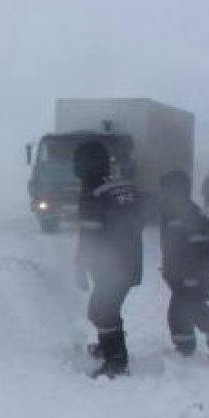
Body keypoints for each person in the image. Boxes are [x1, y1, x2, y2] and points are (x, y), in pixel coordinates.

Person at [72, 140, 143, 378]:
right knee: (106, 309)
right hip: (130, 260)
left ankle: (117, 362)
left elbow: (89, 236)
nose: (75, 167)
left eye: (78, 162)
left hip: (112, 266)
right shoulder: (122, 186)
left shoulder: (93, 192)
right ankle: (107, 346)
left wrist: (79, 266)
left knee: (101, 311)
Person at [158, 169, 209, 356]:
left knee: (189, 309)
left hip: (193, 276)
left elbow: (201, 249)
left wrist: (192, 277)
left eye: (165, 189)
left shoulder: (191, 216)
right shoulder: (172, 213)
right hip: (180, 275)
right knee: (185, 309)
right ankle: (189, 346)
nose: (162, 194)